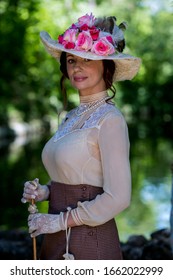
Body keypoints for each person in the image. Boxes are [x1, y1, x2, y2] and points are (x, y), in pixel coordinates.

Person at [21, 13, 141, 260]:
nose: (77, 67)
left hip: (89, 243)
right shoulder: (71, 116)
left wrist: (58, 222)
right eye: (72, 60)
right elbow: (78, 177)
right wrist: (45, 192)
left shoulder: (111, 120)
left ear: (106, 64)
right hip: (55, 239)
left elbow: (119, 197)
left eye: (87, 59)